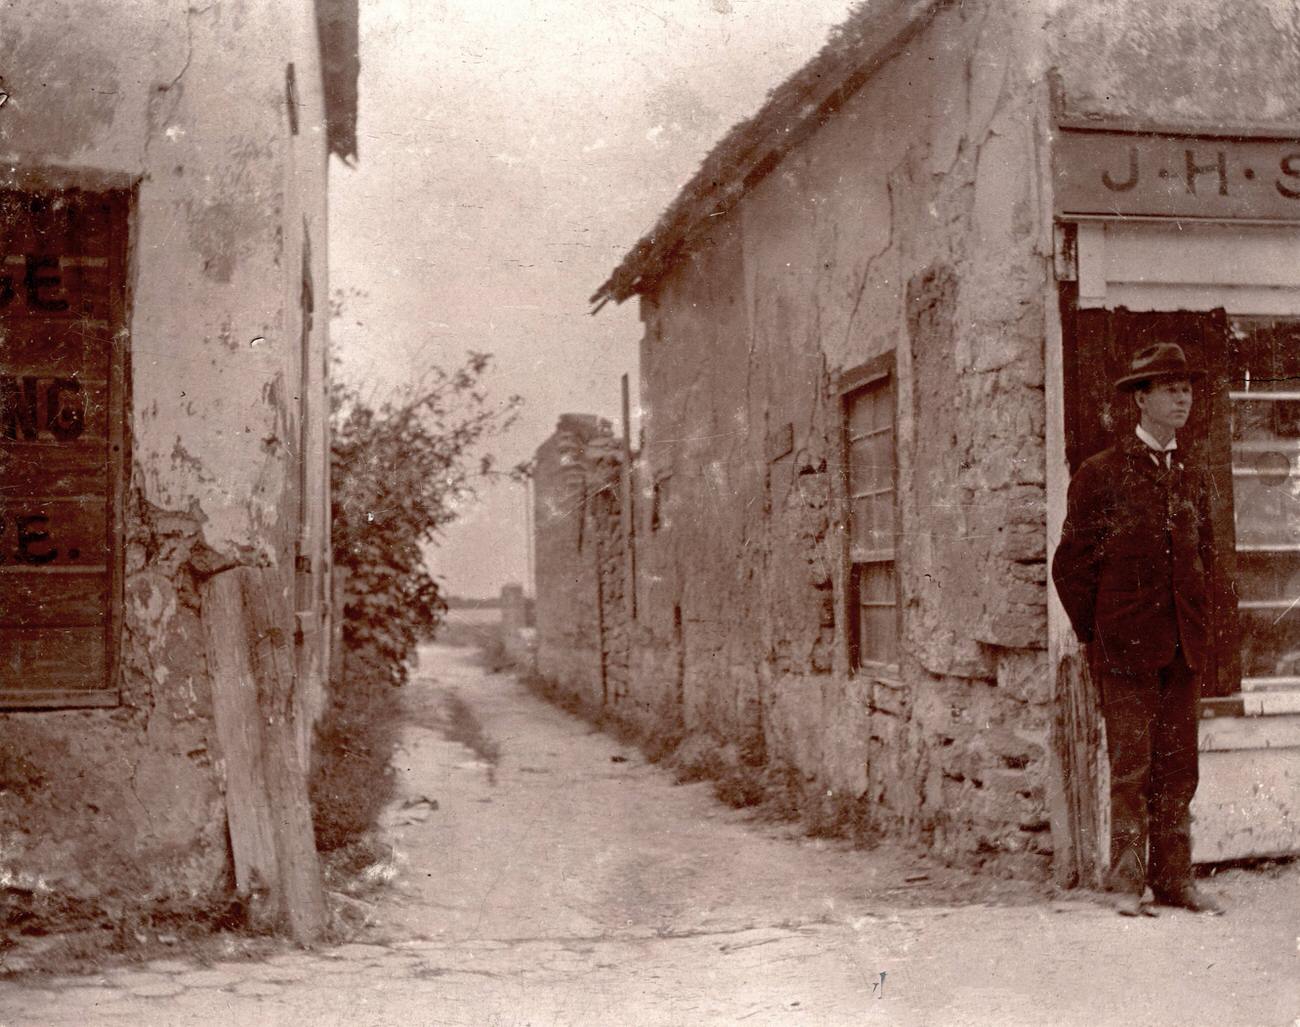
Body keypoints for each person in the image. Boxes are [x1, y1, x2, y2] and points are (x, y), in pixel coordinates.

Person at [1052, 342, 1224, 917]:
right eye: (1170, 388)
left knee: (1180, 768)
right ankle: (1126, 884)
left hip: (1182, 650)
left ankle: (1175, 880)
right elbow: (1071, 567)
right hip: (1124, 652)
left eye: (1188, 388)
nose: (1183, 397)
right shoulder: (1101, 474)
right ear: (1142, 398)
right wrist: (1093, 635)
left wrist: (1201, 635)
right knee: (1132, 768)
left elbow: (1206, 559)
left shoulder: (1193, 475)